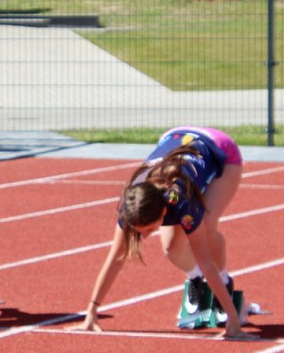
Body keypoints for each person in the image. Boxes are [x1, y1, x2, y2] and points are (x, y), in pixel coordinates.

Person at [74, 126, 251, 339]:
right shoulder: (129, 205)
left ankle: (224, 283)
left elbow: (205, 261)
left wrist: (233, 321)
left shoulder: (182, 204)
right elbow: (116, 258)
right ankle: (195, 281)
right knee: (171, 249)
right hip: (174, 137)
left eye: (150, 229)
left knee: (207, 224)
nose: (145, 236)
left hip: (220, 149)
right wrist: (91, 311)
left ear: (165, 211)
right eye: (141, 231)